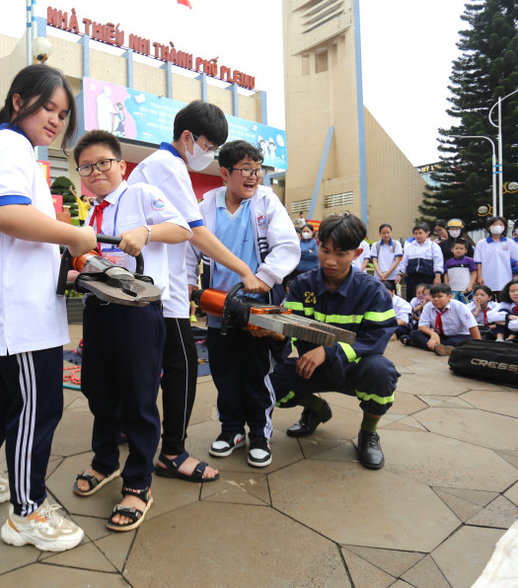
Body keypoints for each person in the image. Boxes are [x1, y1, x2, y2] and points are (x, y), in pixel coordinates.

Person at [0, 65, 96, 552]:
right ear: (18, 102)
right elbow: (7, 213)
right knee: (38, 405)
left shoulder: (8, 150)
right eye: (48, 108)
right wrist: (75, 234)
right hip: (22, 313)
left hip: (11, 305)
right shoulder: (11, 146)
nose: (56, 120)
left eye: (63, 113)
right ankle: (27, 511)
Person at [127, 100, 268, 483]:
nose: (208, 155)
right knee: (183, 368)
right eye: (208, 145)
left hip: (152, 284)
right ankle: (172, 451)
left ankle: (133, 433)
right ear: (187, 137)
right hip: (161, 290)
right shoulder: (169, 166)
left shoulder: (155, 166)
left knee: (151, 367)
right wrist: (244, 269)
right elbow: (197, 233)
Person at [71, 129, 190, 531]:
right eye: (86, 166)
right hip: (98, 310)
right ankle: (104, 461)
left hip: (138, 311)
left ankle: (138, 484)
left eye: (103, 162)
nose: (95, 171)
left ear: (122, 165)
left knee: (139, 400)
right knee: (98, 391)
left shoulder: (140, 194)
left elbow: (183, 229)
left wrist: (147, 231)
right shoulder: (91, 214)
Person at [186, 140, 300, 468]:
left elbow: (288, 246)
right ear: (225, 173)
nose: (254, 176)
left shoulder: (267, 202)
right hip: (218, 307)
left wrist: (264, 277)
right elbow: (191, 248)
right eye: (246, 169)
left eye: (258, 169)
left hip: (256, 308)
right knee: (224, 372)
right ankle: (231, 430)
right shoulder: (206, 205)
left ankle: (260, 436)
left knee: (256, 372)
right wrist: (191, 287)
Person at [271, 213, 399, 470]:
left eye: (340, 254)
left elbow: (375, 339)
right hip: (310, 367)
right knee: (267, 380)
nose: (330, 261)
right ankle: (317, 408)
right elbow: (291, 329)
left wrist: (328, 352)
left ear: (357, 252)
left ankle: (368, 433)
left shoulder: (372, 290)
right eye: (324, 250)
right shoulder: (300, 285)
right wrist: (273, 333)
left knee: (382, 372)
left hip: (355, 368)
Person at [406, 283, 481, 356]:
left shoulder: (459, 306)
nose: (435, 299)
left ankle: (429, 345)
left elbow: (472, 326)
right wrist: (433, 334)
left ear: (449, 297)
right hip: (440, 335)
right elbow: (422, 326)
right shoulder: (428, 306)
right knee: (415, 333)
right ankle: (437, 347)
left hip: (459, 336)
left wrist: (478, 347)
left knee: (465, 342)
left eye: (439, 296)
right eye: (433, 296)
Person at [397, 222, 443, 301]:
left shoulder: (433, 246)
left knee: (427, 298)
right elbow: (404, 262)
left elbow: (438, 262)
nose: (418, 235)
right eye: (415, 233)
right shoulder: (409, 246)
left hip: (428, 277)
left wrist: (437, 275)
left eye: (420, 233)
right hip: (413, 278)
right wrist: (399, 274)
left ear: (427, 233)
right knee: (412, 298)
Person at [473, 216, 513, 292]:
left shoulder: (510, 242)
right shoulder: (481, 243)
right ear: (488, 227)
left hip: (505, 279)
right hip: (486, 279)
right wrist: (479, 277)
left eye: (501, 224)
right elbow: (478, 262)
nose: (498, 226)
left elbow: (515, 261)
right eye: (495, 224)